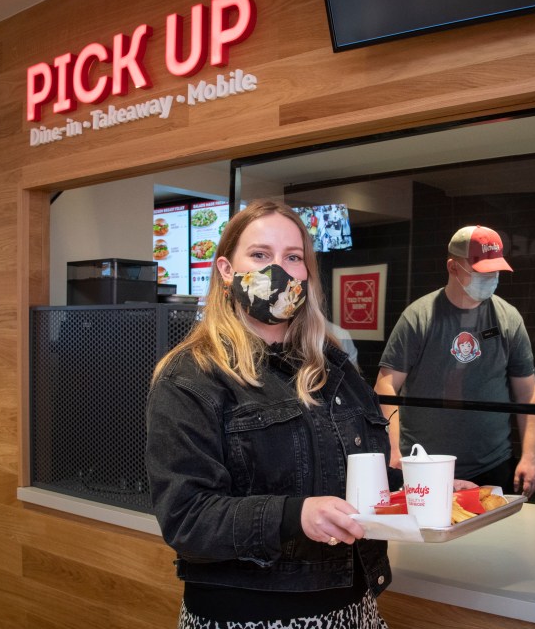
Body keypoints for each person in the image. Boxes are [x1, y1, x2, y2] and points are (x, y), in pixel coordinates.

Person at [145, 200, 392, 629]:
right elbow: (186, 517)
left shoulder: (334, 368)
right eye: (260, 255)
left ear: (306, 274)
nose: (278, 270)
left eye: (293, 258)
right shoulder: (191, 377)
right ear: (225, 270)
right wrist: (294, 515)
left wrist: (427, 491)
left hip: (353, 607)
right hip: (248, 616)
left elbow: (354, 477)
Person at [374, 225, 535, 497]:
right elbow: (386, 386)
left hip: (492, 463)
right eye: (480, 271)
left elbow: (528, 392)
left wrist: (530, 456)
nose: (490, 278)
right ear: (453, 267)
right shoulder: (419, 317)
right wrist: (393, 450)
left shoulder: (508, 318)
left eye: (494, 271)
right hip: (424, 463)